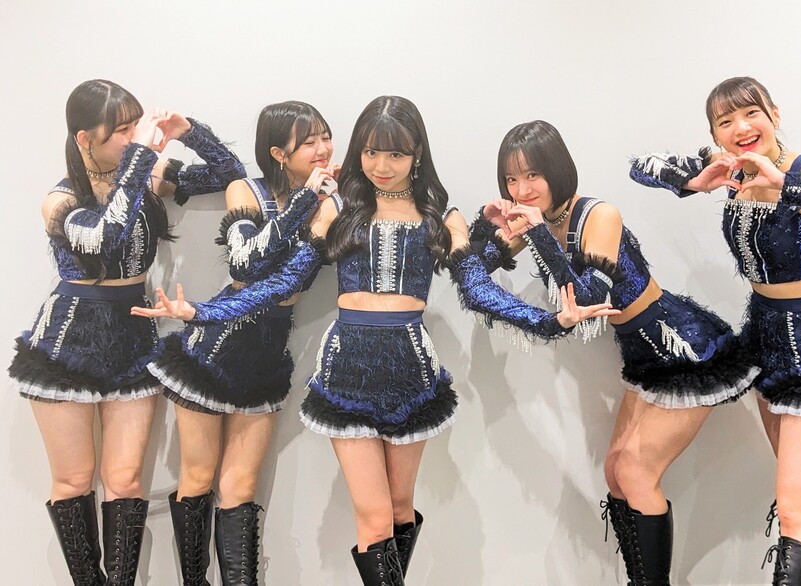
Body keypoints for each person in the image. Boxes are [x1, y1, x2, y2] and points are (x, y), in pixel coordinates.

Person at [133, 96, 616, 586]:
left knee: (401, 508)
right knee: (375, 517)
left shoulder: (441, 216)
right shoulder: (336, 207)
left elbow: (479, 291)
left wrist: (550, 322)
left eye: (396, 154)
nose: (381, 166)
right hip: (346, 369)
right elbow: (284, 280)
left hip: (412, 370)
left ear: (417, 154)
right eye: (370, 153)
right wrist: (203, 312)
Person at [629, 76, 801, 584]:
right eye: (725, 121)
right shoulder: (730, 167)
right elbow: (640, 166)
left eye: (751, 113)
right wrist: (695, 181)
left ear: (774, 113)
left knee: (795, 506)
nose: (741, 128)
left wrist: (784, 183)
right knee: (798, 496)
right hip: (765, 335)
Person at [471, 119, 758, 585]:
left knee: (636, 472)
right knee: (616, 472)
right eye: (511, 179)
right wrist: (488, 228)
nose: (522, 190)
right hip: (642, 356)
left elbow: (590, 298)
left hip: (680, 344)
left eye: (532, 175)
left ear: (557, 170)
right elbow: (474, 273)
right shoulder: (537, 220)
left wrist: (538, 235)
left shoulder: (598, 215)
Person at [7, 79, 245, 586]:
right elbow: (104, 238)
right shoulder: (59, 200)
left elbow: (230, 174)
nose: (135, 138)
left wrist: (189, 132)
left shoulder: (147, 175)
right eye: (121, 131)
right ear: (83, 139)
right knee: (74, 479)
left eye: (135, 127)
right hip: (66, 343)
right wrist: (142, 161)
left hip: (134, 338)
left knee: (126, 480)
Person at [146, 101, 337, 585]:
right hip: (214, 347)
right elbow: (246, 263)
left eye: (325, 136)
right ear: (278, 153)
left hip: (267, 354)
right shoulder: (245, 190)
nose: (322, 148)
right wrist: (303, 204)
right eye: (308, 141)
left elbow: (295, 278)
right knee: (197, 478)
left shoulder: (332, 202)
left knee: (241, 486)